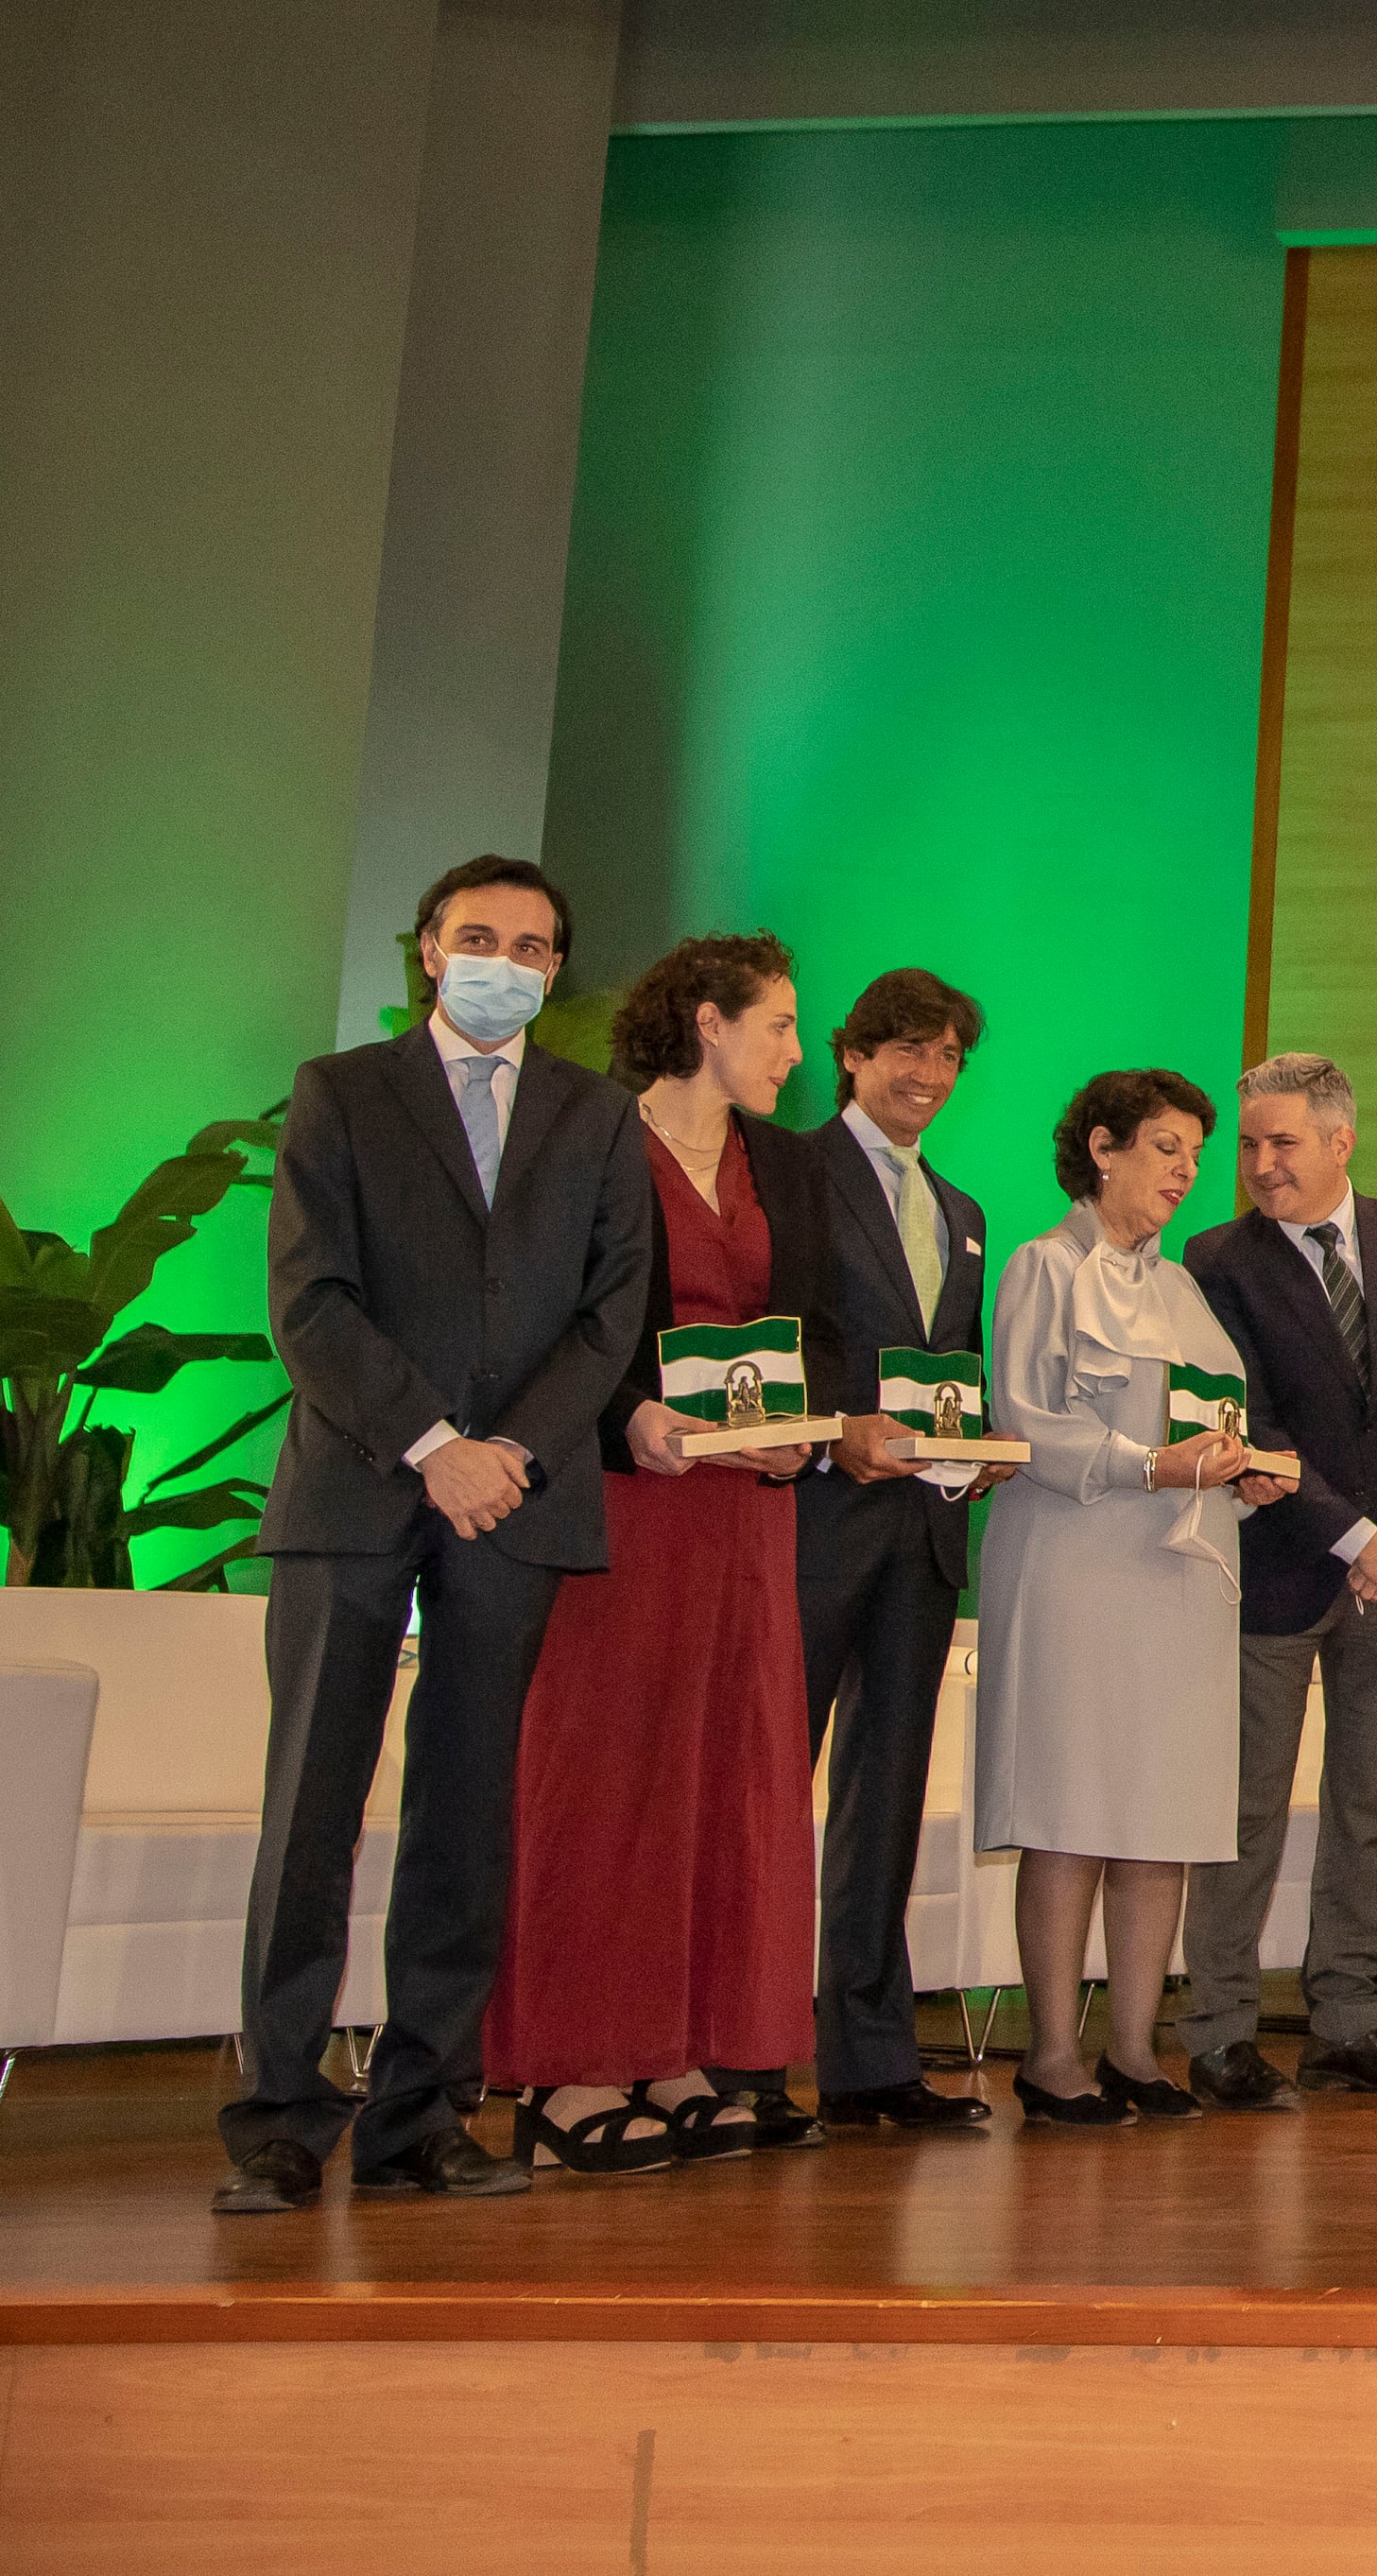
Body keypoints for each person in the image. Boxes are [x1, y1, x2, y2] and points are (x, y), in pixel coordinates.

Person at [220, 856, 653, 2213]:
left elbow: (613, 1312)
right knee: (312, 1808)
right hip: (358, 1491)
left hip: (515, 1506)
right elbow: (313, 1303)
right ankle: (283, 2113)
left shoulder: (597, 1115)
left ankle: (421, 2114)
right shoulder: (340, 1092)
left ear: (555, 973)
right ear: (426, 951)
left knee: (467, 1818)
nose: (503, 961)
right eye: (479, 937)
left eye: (531, 946)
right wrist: (433, 1446)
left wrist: (509, 1452)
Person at [489, 934, 834, 2171]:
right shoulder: (591, 1142)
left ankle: (683, 2045)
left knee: (726, 1782)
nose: (798, 1053)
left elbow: (820, 1328)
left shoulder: (780, 1163)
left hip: (749, 1514)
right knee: (610, 1780)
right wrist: (629, 1414)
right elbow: (542, 1325)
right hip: (627, 1506)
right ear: (706, 1021)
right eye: (782, 1025)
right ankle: (570, 2068)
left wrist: (808, 1430)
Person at [1178, 1052, 1377, 2105]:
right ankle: (1220, 2030)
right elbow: (1250, 1423)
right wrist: (1357, 1538)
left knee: (1365, 1808)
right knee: (1247, 1812)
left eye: (1281, 1144)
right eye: (1250, 1145)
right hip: (1278, 1567)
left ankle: (1346, 2024)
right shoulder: (1216, 1257)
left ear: (1337, 1141)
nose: (1260, 1165)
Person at [978, 1069, 1273, 2126]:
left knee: (1159, 1819)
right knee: (1072, 1810)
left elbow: (1213, 1415)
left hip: (1181, 1575)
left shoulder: (1184, 1290)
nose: (1186, 1171)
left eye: (1195, 1154)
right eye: (1164, 1148)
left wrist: (1246, 1465)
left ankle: (1137, 2051)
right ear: (1101, 1148)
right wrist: (1157, 1466)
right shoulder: (1040, 1269)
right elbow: (1024, 1423)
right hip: (1076, 1565)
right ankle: (1052, 2055)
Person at [786, 964, 998, 2135]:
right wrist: (832, 1438)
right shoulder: (790, 1175)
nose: (927, 1076)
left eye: (947, 1057)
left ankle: (869, 2060)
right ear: (852, 1055)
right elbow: (768, 1338)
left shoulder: (962, 1214)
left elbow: (947, 1369)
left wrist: (981, 1445)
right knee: (774, 1787)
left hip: (921, 1534)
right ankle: (752, 2056)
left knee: (888, 1799)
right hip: (814, 1517)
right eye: (906, 1052)